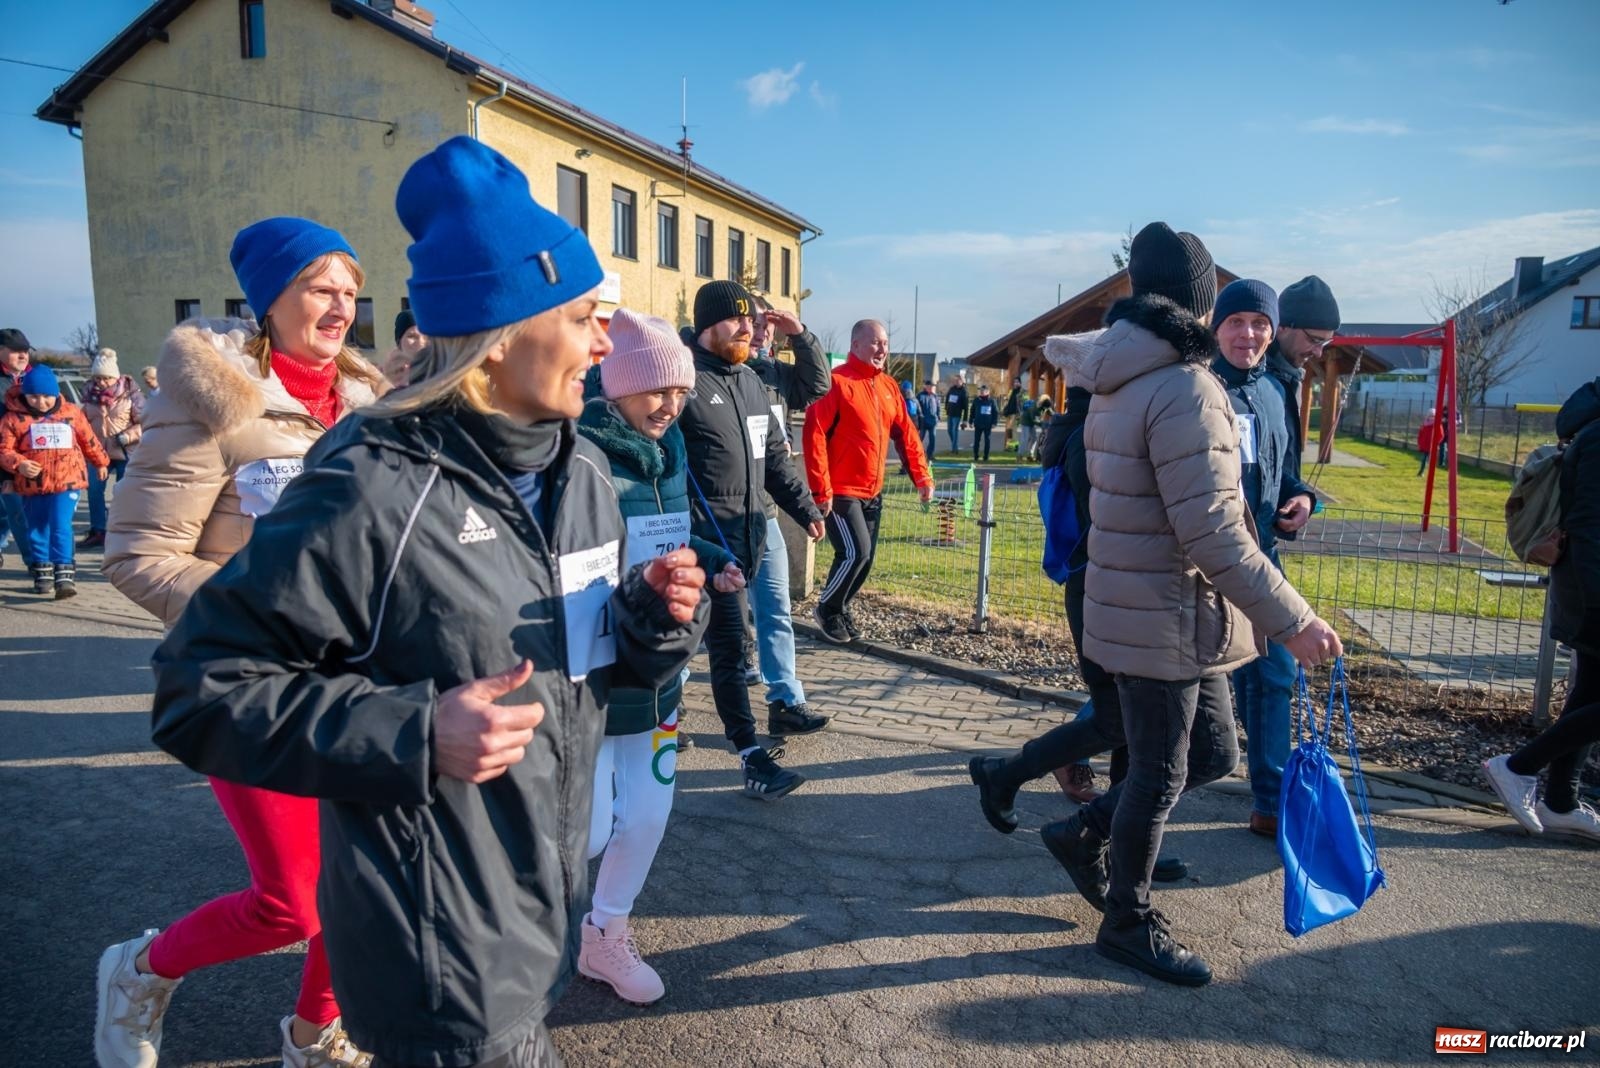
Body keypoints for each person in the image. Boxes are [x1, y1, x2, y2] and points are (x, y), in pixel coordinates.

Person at [144, 137, 709, 1068]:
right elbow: (197, 689)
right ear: (499, 336)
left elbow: (593, 673)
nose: (607, 343)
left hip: (540, 923)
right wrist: (412, 731)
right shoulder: (369, 483)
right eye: (582, 317)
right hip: (439, 959)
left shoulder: (588, 478)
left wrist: (652, 622)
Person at [96, 217, 384, 1068]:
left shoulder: (369, 405)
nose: (339, 306)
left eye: (348, 290)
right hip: (244, 681)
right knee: (294, 902)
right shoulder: (210, 397)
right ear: (271, 298)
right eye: (318, 287)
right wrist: (264, 619)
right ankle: (140, 970)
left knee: (363, 882)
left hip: (357, 683)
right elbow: (138, 554)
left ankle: (315, 1030)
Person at [1049, 222, 1342, 986]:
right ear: (1200, 306)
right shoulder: (1182, 386)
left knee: (1212, 753)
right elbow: (1213, 530)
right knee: (1158, 772)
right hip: (1163, 609)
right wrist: (1296, 620)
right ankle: (1127, 921)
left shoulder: (1123, 371)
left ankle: (1086, 835)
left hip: (1160, 603)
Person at [577, 309, 740, 1005]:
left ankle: (605, 934)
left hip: (661, 666)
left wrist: (710, 560)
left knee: (647, 813)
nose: (670, 406)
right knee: (580, 831)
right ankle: (515, 929)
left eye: (678, 392)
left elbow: (670, 534)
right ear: (614, 387)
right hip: (594, 670)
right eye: (656, 392)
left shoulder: (670, 451)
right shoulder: (577, 453)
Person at [678, 279, 826, 799]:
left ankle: (745, 753)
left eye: (750, 319)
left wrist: (805, 509)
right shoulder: (683, 382)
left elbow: (776, 463)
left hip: (749, 538)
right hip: (702, 544)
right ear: (706, 325)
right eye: (737, 319)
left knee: (720, 646)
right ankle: (746, 752)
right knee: (712, 645)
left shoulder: (750, 383)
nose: (748, 327)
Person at [1209, 279, 1317, 837]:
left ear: (1272, 331)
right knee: (1177, 676)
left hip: (1264, 557)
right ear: (1217, 326)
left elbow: (1291, 473)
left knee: (1274, 675)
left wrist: (1302, 499)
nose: (1247, 334)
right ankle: (1079, 745)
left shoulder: (1277, 391)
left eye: (1259, 323)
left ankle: (1270, 803)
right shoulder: (1197, 388)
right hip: (1204, 560)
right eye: (1236, 322)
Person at [1483, 376, 1600, 843]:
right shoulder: (1597, 438)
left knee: (1590, 695)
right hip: (1592, 588)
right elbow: (1589, 525)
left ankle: (1560, 803)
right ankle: (1517, 767)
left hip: (1586, 584)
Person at [802, 319, 934, 643]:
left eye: (885, 343)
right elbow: (814, 434)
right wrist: (821, 490)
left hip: (873, 491)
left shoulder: (889, 387)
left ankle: (841, 606)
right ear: (856, 345)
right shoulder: (836, 382)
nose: (882, 349)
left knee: (866, 560)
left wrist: (922, 476)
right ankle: (827, 609)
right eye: (875, 343)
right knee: (854, 552)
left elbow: (907, 435)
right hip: (841, 491)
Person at [744, 296, 833, 729]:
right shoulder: (711, 372)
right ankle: (671, 700)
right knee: (698, 610)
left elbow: (819, 383)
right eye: (753, 322)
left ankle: (785, 701)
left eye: (768, 324)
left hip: (766, 513)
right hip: (717, 515)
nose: (761, 330)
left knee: (776, 607)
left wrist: (801, 334)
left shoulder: (777, 375)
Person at [0, 364, 109, 597]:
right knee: (37, 528)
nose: (41, 402)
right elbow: (3, 450)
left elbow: (88, 440)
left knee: (60, 524)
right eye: (34, 397)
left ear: (55, 393)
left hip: (67, 481)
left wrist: (100, 462)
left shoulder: (71, 413)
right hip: (32, 486)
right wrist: (19, 464)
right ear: (24, 395)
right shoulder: (13, 419)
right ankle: (42, 571)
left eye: (47, 397)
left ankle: (65, 574)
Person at [1265, 275, 1338, 521]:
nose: (1319, 352)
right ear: (1282, 326)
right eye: (1314, 339)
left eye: (1325, 342)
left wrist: (1298, 493)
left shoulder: (1289, 378)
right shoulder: (1252, 380)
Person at [79, 347, 146, 549]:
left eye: (106, 378)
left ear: (115, 377)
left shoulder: (130, 395)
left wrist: (128, 436)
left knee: (123, 492)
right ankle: (98, 530)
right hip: (98, 454)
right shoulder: (88, 397)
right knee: (94, 492)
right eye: (98, 378)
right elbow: (82, 424)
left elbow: (146, 422)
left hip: (126, 451)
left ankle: (123, 531)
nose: (101, 383)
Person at [0, 327, 36, 570]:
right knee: (13, 511)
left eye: (25, 351)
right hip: (4, 458)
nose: (23, 356)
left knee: (18, 513)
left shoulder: (37, 377)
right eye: (16, 352)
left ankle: (38, 562)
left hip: (30, 458)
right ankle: (35, 564)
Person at [382, 307, 428, 388]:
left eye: (425, 336)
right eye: (412, 336)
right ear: (399, 342)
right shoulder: (384, 378)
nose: (420, 342)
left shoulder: (441, 374)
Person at [969, 383, 999, 462]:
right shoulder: (976, 400)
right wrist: (970, 421)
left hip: (988, 425)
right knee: (976, 441)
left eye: (984, 390)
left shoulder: (992, 401)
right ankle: (976, 456)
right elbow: (972, 411)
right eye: (981, 390)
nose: (982, 392)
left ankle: (986, 456)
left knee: (987, 440)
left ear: (988, 392)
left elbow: (995, 413)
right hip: (978, 424)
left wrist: (994, 423)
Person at [943, 373, 969, 454]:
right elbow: (947, 399)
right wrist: (946, 407)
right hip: (950, 413)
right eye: (955, 380)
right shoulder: (952, 389)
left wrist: (965, 420)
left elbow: (966, 407)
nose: (956, 382)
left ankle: (954, 449)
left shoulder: (964, 392)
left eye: (958, 380)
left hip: (957, 415)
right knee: (949, 431)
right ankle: (955, 445)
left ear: (962, 381)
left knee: (955, 431)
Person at [915, 380, 941, 457]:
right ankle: (917, 453)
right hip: (923, 422)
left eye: (932, 386)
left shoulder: (935, 396)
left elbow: (938, 407)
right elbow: (917, 408)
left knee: (932, 439)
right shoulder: (920, 396)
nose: (931, 388)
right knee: (920, 439)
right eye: (930, 386)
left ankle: (930, 454)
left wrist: (938, 417)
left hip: (933, 421)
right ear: (926, 386)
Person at [1002, 377, 1023, 448]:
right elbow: (1007, 401)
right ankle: (1011, 445)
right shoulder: (1012, 391)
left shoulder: (1021, 392)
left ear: (1020, 383)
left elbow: (1023, 402)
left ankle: (1015, 445)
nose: (1016, 383)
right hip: (1009, 412)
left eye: (1017, 382)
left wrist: (1020, 413)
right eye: (1015, 382)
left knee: (1012, 429)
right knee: (1009, 429)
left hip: (1015, 413)